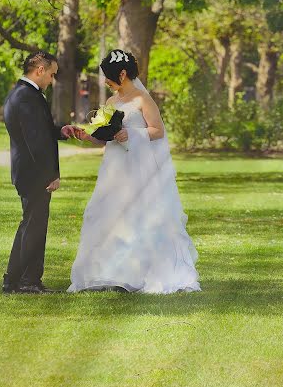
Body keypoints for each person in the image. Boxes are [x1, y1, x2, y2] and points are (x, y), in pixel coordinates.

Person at [67, 49, 200, 293]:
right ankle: (109, 273)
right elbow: (104, 135)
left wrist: (133, 134)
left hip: (138, 169)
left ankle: (139, 273)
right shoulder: (111, 102)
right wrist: (84, 134)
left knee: (138, 217)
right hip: (114, 169)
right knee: (106, 215)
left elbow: (157, 131)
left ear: (123, 73)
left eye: (108, 76)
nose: (106, 81)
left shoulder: (142, 100)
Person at [2, 51, 82, 294]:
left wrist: (61, 131)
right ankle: (24, 281)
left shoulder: (26, 95)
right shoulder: (26, 97)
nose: (52, 79)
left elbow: (41, 130)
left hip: (29, 172)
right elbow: (35, 141)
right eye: (51, 74)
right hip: (33, 173)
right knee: (34, 227)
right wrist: (50, 175)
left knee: (32, 226)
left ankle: (18, 280)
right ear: (39, 70)